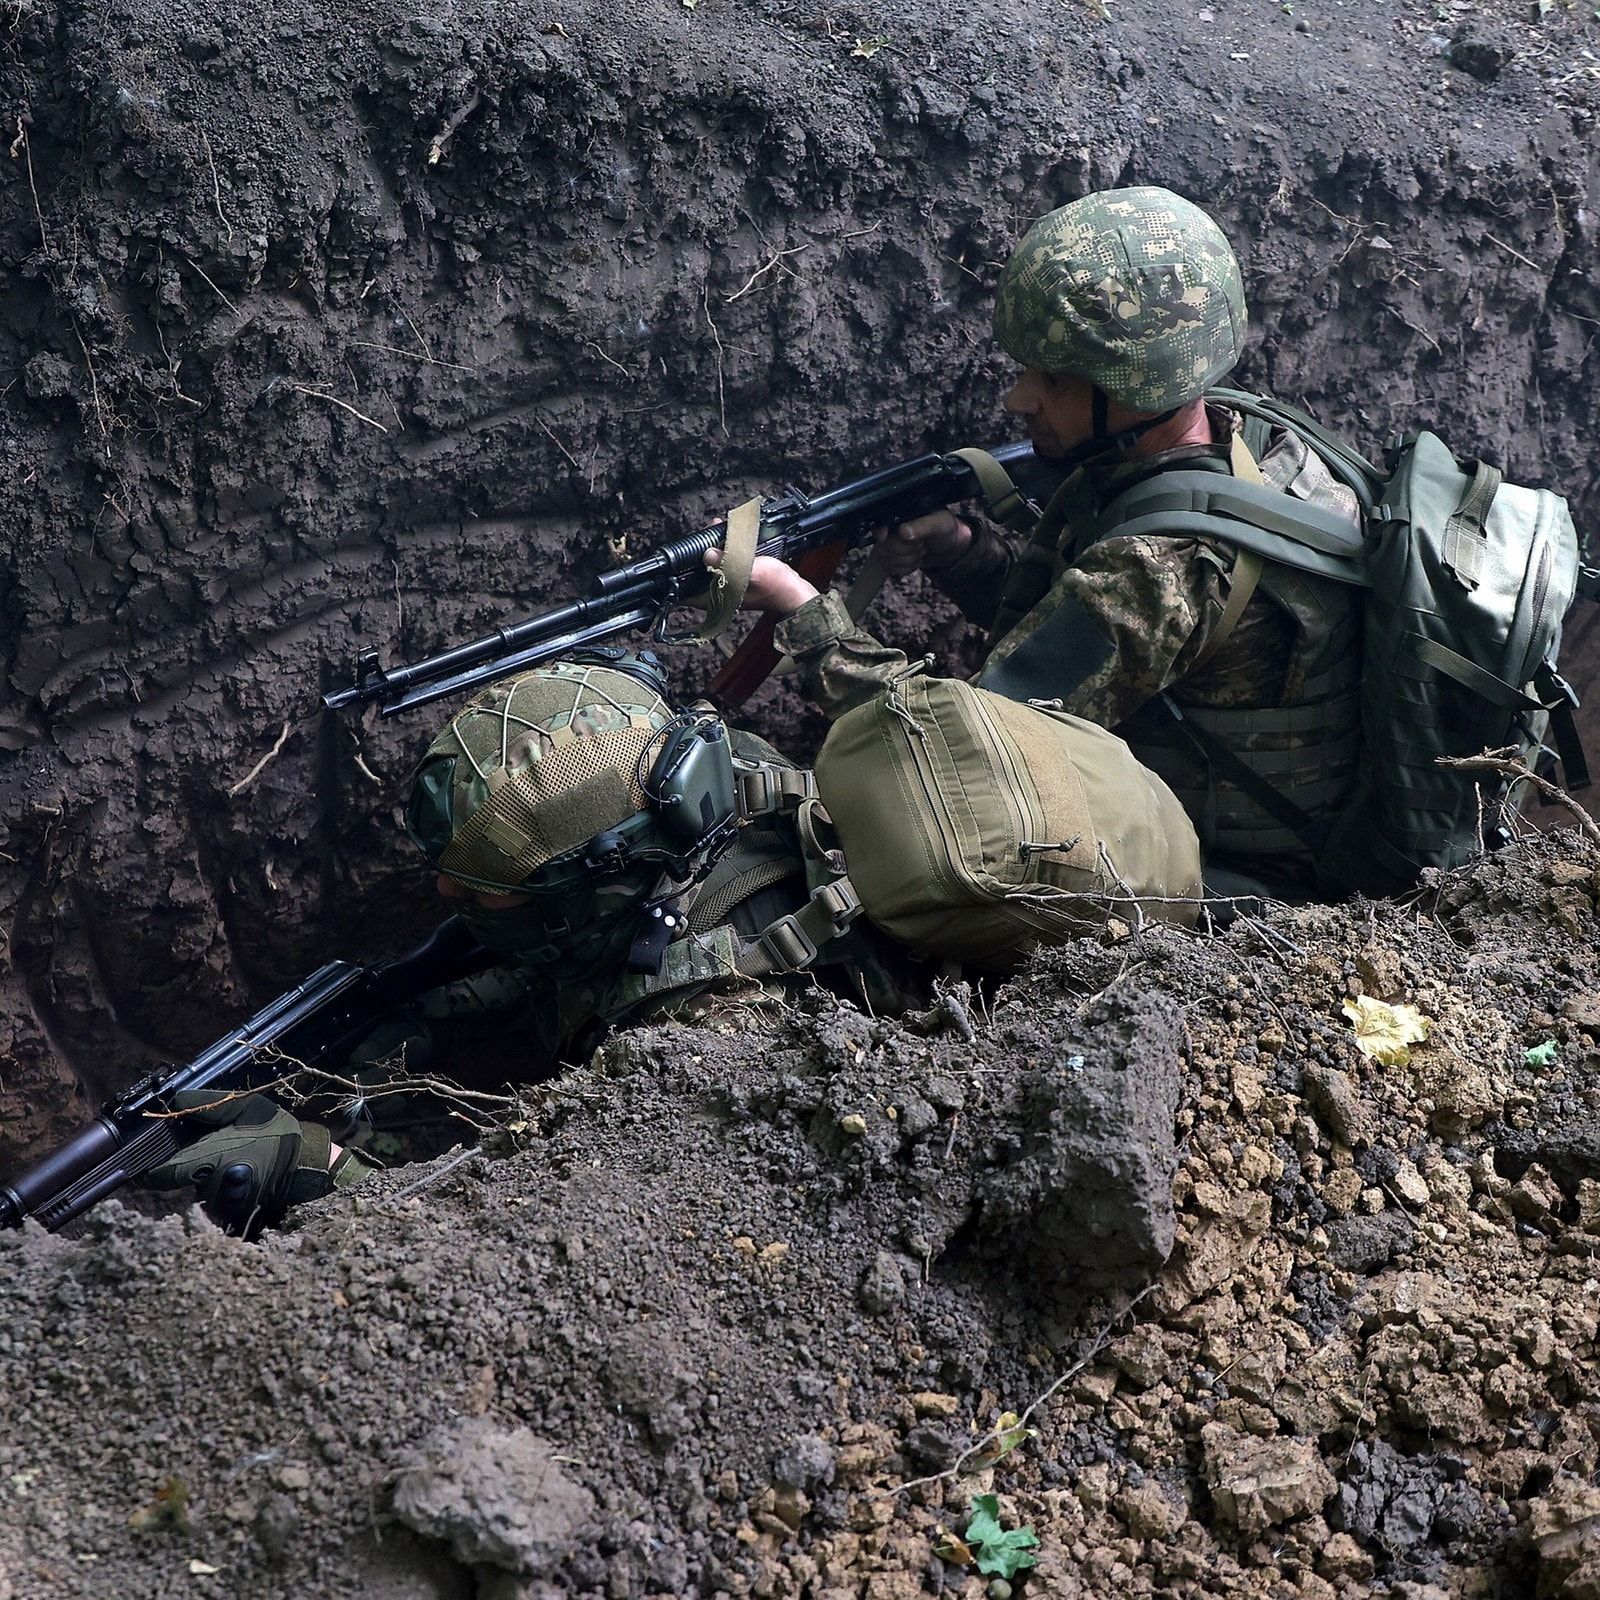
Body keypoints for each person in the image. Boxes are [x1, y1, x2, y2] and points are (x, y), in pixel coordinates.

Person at [719, 187, 1363, 901]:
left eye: (1053, 380)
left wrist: (801, 611)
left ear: (1137, 387)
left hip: (1246, 894)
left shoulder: (1161, 568)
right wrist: (969, 553)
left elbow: (961, 762)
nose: (1019, 400)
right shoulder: (1262, 444)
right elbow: (1098, 636)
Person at [146, 651, 904, 1230]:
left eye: (478, 891)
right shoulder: (697, 781)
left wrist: (328, 1170)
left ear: (597, 881)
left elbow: (561, 1232)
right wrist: (449, 1007)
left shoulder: (714, 1032)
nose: (446, 895)